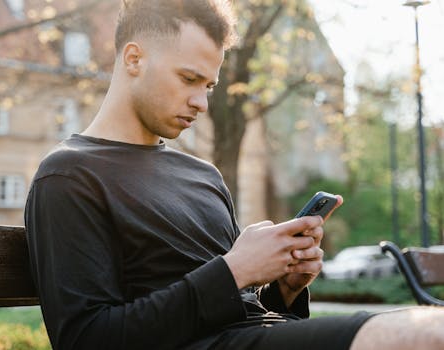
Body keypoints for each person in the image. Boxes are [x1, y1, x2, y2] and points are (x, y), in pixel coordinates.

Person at [24, 1, 444, 349]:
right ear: (134, 58)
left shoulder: (203, 175)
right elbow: (86, 339)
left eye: (208, 86)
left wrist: (285, 287)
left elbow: (244, 306)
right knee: (425, 335)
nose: (201, 103)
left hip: (255, 337)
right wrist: (235, 269)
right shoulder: (69, 175)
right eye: (189, 79)